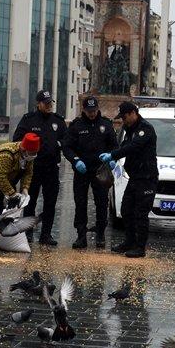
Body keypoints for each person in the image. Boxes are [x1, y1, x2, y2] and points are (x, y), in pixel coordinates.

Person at [99, 101, 158, 258]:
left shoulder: (145, 129)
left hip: (147, 178)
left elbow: (133, 147)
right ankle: (129, 241)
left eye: (124, 117)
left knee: (140, 213)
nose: (123, 121)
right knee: (126, 210)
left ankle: (140, 247)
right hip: (134, 177)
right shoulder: (129, 128)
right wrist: (114, 157)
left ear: (133, 113)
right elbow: (124, 145)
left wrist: (113, 155)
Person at [13, 90, 67, 245]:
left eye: (51, 103)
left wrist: (59, 144)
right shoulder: (28, 120)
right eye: (46, 103)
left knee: (50, 202)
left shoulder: (58, 121)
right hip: (33, 169)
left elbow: (67, 140)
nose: (49, 106)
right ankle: (28, 233)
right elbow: (17, 139)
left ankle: (46, 235)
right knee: (30, 202)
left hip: (51, 168)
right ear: (38, 104)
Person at [63, 95, 117, 249]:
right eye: (89, 111)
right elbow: (67, 147)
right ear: (83, 110)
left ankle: (100, 234)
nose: (92, 113)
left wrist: (112, 158)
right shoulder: (76, 125)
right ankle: (81, 235)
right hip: (82, 170)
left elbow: (114, 145)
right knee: (80, 203)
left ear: (97, 109)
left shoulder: (106, 125)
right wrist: (75, 160)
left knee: (101, 203)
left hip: (101, 171)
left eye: (94, 110)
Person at [0, 133, 39, 252]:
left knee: (2, 211)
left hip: (8, 179)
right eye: (30, 154)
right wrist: (12, 193)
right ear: (23, 149)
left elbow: (28, 173)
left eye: (34, 154)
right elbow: (0, 176)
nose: (32, 156)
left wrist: (25, 190)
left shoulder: (28, 157)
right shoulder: (7, 154)